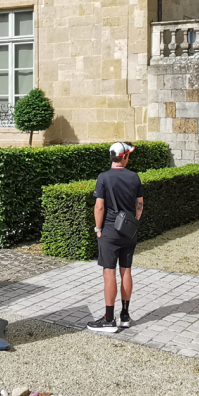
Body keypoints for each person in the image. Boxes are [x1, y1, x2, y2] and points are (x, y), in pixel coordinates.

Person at [87, 142, 143, 334]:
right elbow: (139, 205)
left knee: (109, 273)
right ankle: (125, 316)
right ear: (124, 156)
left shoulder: (103, 177)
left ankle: (109, 319)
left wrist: (98, 229)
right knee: (126, 271)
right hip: (128, 231)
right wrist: (133, 222)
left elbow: (99, 207)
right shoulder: (134, 177)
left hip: (109, 231)